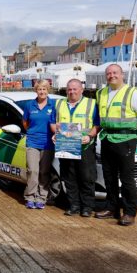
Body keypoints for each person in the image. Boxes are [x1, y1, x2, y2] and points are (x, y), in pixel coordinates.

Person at [95, 64, 137, 226]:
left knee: (127, 179)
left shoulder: (132, 93)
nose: (111, 75)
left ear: (122, 75)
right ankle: (111, 207)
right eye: (108, 73)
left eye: (115, 73)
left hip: (126, 140)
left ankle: (129, 212)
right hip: (106, 139)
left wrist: (134, 128)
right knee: (109, 177)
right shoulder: (101, 93)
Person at [53, 79, 100, 217]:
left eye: (75, 89)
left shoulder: (91, 104)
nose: (72, 92)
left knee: (87, 178)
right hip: (66, 146)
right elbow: (54, 123)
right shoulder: (59, 103)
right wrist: (55, 134)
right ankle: (74, 206)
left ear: (81, 90)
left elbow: (97, 124)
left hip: (85, 146)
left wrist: (90, 136)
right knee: (69, 178)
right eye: (69, 89)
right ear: (66, 90)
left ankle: (87, 207)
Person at [22, 79, 56, 209]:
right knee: (33, 170)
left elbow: (57, 123)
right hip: (32, 142)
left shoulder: (53, 105)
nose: (42, 91)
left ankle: (42, 197)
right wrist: (32, 132)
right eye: (39, 89)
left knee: (44, 172)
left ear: (48, 90)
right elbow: (25, 123)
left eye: (44, 89)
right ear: (36, 90)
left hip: (48, 143)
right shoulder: (30, 105)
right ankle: (30, 196)